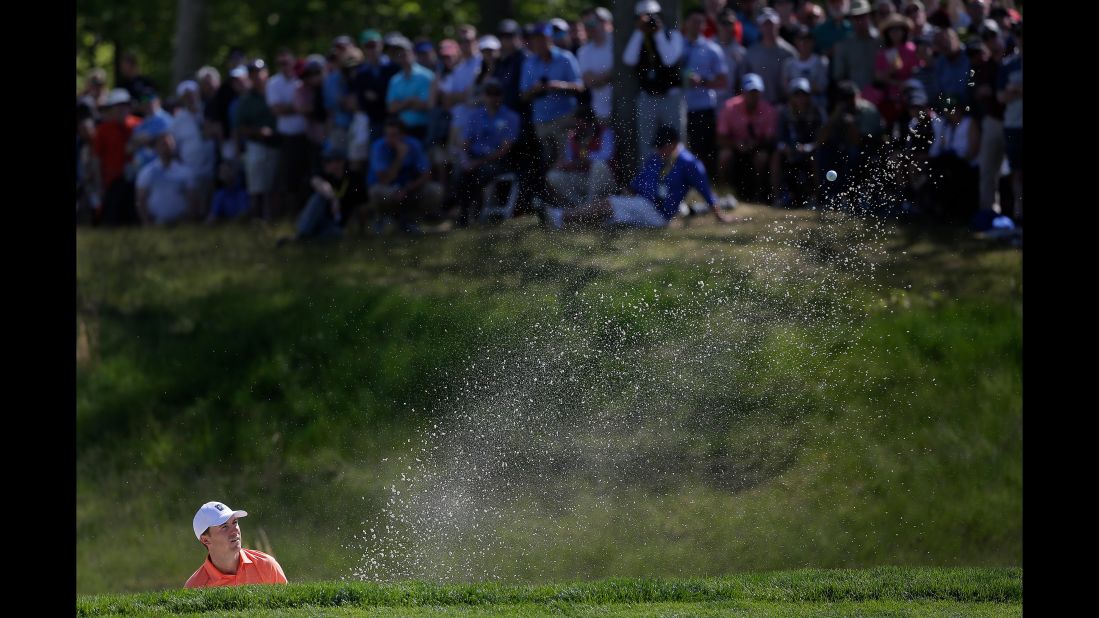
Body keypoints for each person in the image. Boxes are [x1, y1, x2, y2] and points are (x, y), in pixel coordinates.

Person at [543, 125, 736, 228]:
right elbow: (640, 180)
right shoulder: (656, 157)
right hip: (643, 202)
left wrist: (720, 217)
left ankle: (560, 218)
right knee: (607, 214)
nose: (658, 149)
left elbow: (706, 191)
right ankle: (567, 221)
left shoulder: (689, 163)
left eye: (662, 146)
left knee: (609, 205)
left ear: (674, 143)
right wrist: (628, 191)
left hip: (658, 213)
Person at [185, 501, 288, 589]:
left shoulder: (267, 566)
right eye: (224, 526)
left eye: (235, 522)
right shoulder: (194, 587)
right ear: (205, 540)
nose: (235, 531)